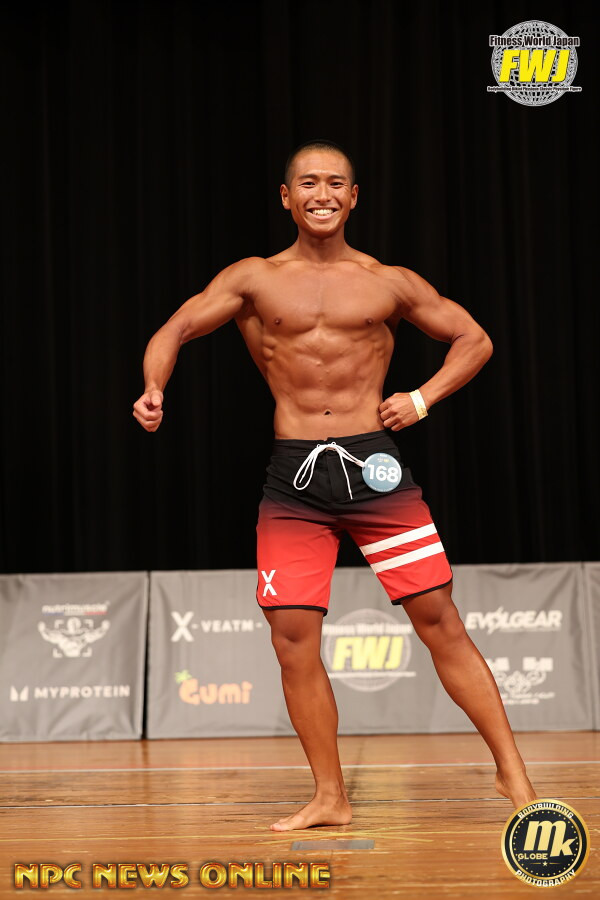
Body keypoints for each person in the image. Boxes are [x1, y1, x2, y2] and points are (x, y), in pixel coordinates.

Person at [133, 139, 538, 832]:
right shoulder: (254, 278)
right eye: (308, 183)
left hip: (375, 468)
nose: (321, 194)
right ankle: (330, 796)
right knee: (292, 638)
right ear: (286, 197)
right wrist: (153, 388)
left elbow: (474, 339)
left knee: (438, 619)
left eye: (334, 183)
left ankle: (514, 774)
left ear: (353, 198)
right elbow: (175, 328)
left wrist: (422, 399)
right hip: (294, 478)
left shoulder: (388, 281)